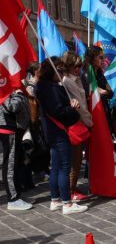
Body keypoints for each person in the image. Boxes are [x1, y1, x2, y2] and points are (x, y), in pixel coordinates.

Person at [36, 57, 88, 215]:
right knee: (64, 167)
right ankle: (67, 203)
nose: (63, 73)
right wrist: (73, 108)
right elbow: (58, 111)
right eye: (60, 70)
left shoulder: (45, 86)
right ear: (52, 71)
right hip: (60, 131)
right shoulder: (50, 88)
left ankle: (55, 200)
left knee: (56, 167)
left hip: (53, 132)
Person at [61, 51, 94, 201]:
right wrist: (89, 122)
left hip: (82, 122)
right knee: (74, 159)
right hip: (76, 123)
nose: (78, 69)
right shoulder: (68, 81)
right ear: (67, 66)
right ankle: (70, 190)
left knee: (78, 158)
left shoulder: (77, 79)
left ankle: (73, 186)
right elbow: (79, 106)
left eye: (79, 66)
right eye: (74, 66)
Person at [0, 89, 32, 211]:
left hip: (14, 128)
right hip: (8, 129)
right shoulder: (4, 86)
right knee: (10, 165)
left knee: (15, 164)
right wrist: (19, 95)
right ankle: (13, 199)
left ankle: (17, 195)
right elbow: (11, 106)